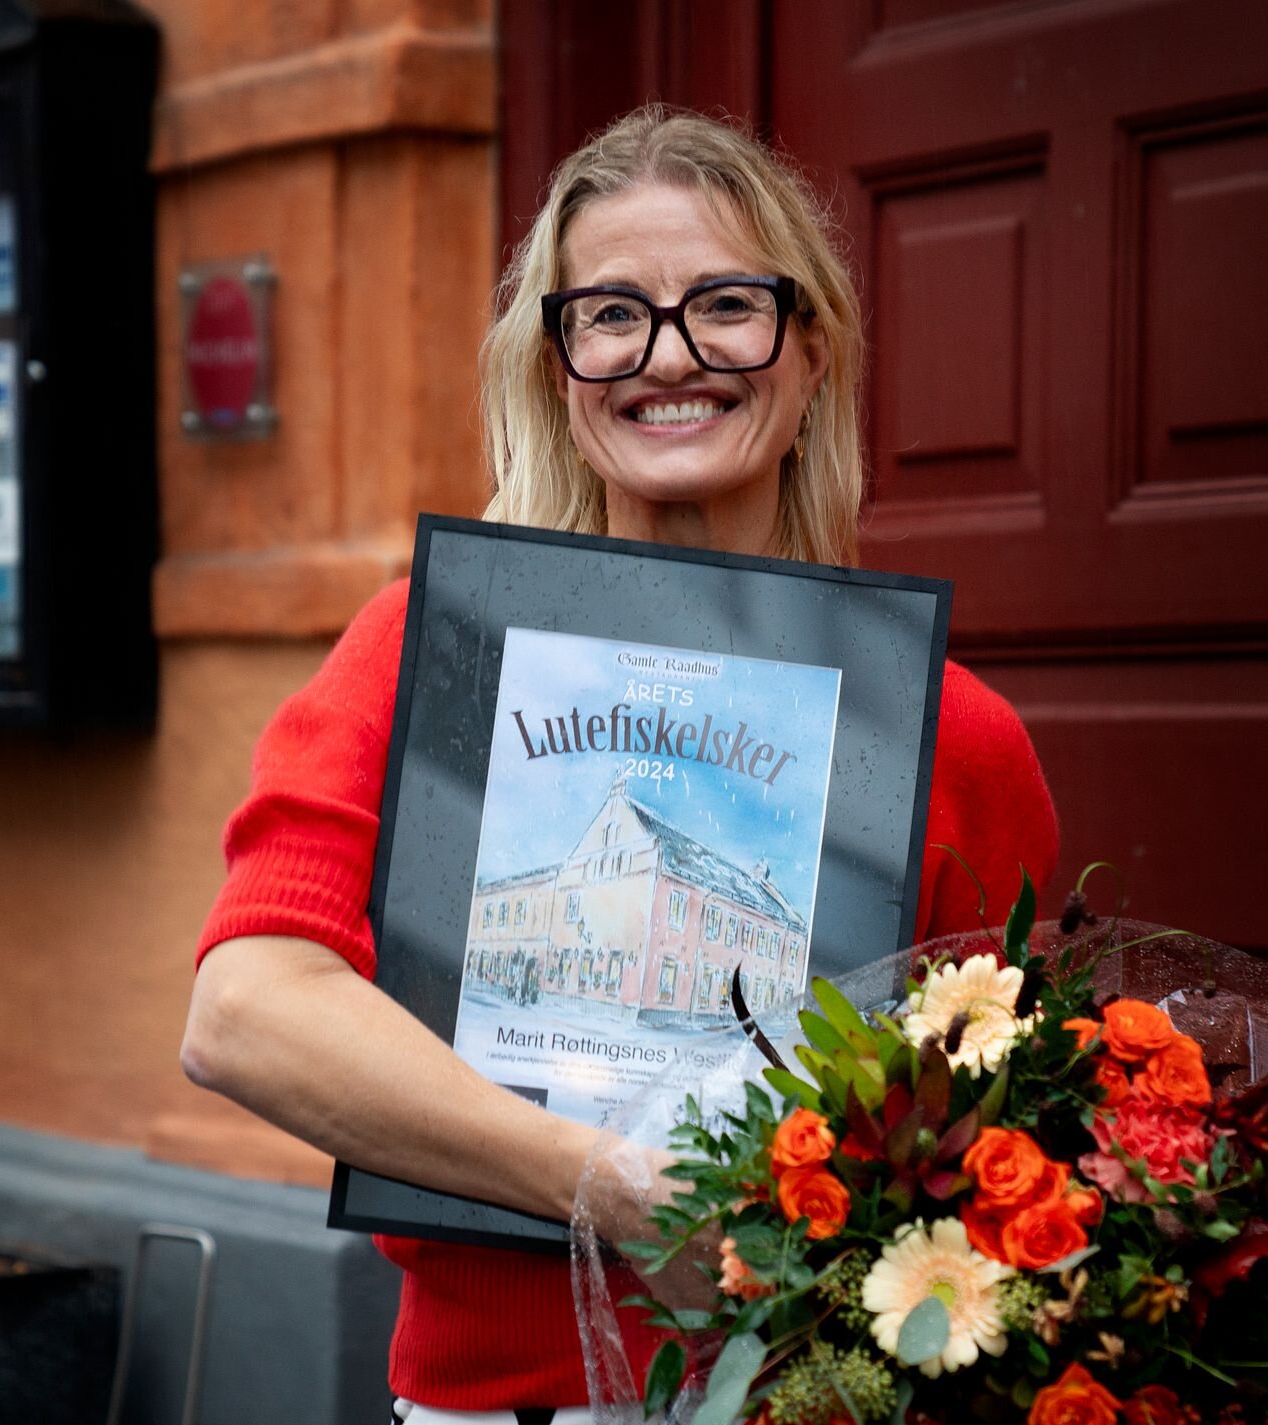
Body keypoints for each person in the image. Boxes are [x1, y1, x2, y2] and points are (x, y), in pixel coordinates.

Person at [181, 106, 1059, 1420]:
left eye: (726, 304)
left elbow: (1008, 1133)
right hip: (507, 1401)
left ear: (810, 352)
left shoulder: (953, 731)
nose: (671, 355)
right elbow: (245, 1011)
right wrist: (613, 1185)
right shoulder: (428, 655)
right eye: (610, 315)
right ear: (554, 369)